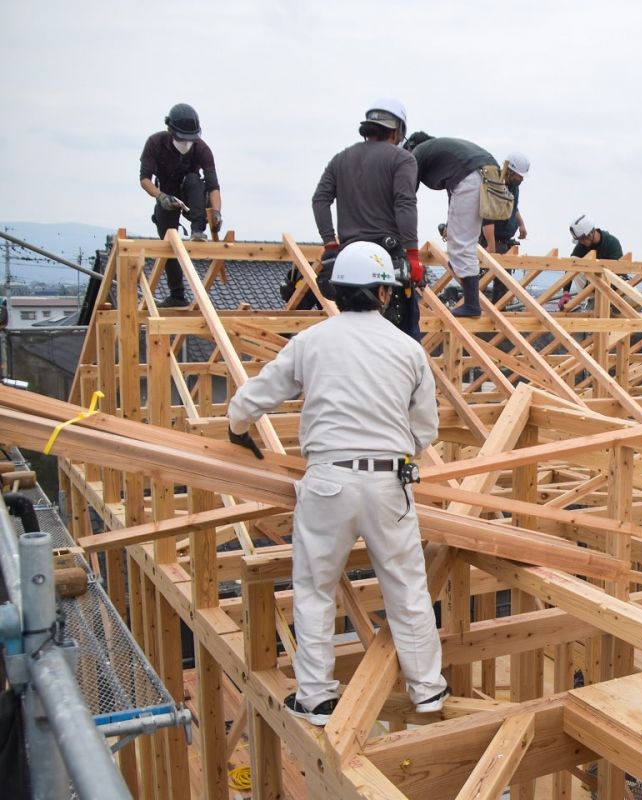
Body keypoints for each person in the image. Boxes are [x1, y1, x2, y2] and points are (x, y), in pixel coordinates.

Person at [226, 241, 448, 725]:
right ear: (384, 294)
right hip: (389, 482)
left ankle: (317, 698)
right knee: (407, 589)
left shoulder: (312, 342)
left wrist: (237, 427)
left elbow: (257, 394)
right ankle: (428, 690)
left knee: (313, 589)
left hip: (326, 482)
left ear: (337, 292)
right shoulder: (407, 348)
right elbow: (425, 429)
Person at [312, 99, 424, 340]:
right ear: (397, 130)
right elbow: (405, 203)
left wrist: (330, 244)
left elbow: (320, 200)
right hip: (386, 257)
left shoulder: (341, 158)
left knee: (352, 334)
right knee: (402, 337)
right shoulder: (402, 159)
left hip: (348, 260)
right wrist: (413, 254)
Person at [405, 132, 500, 317]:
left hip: (471, 177)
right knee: (465, 243)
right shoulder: (445, 151)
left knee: (460, 245)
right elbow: (455, 192)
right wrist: (451, 223)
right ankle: (464, 277)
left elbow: (407, 196)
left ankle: (472, 304)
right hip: (490, 173)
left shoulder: (417, 153)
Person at [139, 103, 223, 307]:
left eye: (190, 140)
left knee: (194, 179)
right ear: (171, 132)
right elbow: (144, 179)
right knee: (168, 241)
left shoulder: (202, 149)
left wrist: (217, 212)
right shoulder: (155, 143)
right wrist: (161, 197)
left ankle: (197, 230)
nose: (186, 144)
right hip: (165, 191)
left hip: (191, 192)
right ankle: (177, 295)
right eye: (182, 139)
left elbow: (213, 186)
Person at [481, 152, 531, 303]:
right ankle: (476, 316)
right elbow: (487, 215)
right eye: (519, 176)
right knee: (481, 281)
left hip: (505, 242)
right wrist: (491, 245)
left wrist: (521, 224)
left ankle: (497, 318)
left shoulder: (514, 187)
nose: (521, 179)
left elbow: (513, 207)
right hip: (490, 239)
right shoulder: (496, 184)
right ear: (509, 171)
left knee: (502, 286)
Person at [567, 214, 624, 304]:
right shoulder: (582, 245)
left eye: (582, 239)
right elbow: (570, 267)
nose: (581, 242)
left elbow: (620, 271)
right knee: (575, 261)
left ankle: (609, 305)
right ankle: (590, 302)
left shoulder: (612, 242)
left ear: (590, 233)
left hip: (613, 287)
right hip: (592, 287)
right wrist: (565, 293)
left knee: (632, 298)